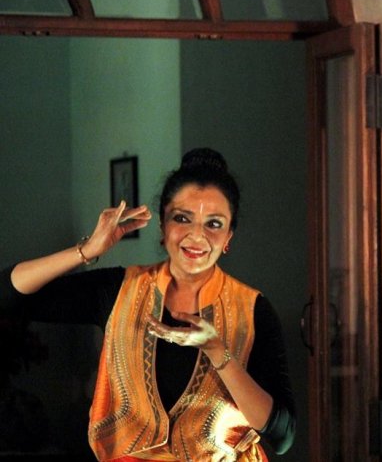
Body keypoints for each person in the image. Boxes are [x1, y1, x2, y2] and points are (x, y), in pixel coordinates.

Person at [0, 148, 295, 461]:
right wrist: (88, 249)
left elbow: (282, 435)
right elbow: (8, 295)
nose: (196, 235)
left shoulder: (253, 310)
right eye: (182, 218)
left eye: (213, 224)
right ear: (163, 227)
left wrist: (218, 353)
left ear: (228, 238)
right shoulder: (120, 290)